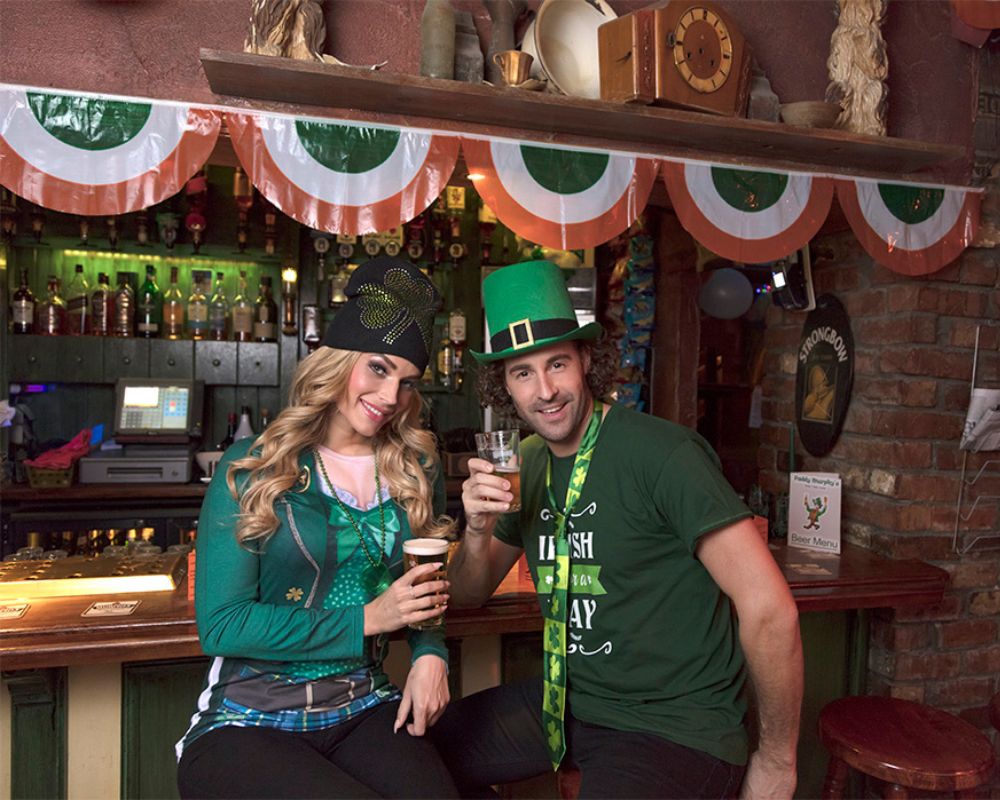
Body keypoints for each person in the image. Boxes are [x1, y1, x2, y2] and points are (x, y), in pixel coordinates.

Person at [432, 260, 803, 799]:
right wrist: (477, 531)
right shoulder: (528, 463)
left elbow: (771, 609)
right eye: (522, 373)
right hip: (568, 703)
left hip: (673, 728)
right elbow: (467, 595)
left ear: (586, 360)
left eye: (557, 364)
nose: (545, 390)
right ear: (504, 387)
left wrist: (776, 761)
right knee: (411, 751)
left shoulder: (664, 454)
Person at [176, 256, 459, 800]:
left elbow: (424, 589)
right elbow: (222, 626)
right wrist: (370, 618)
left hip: (361, 705)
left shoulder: (414, 468)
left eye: (406, 381)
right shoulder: (251, 469)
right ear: (338, 362)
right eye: (377, 368)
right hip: (246, 719)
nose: (389, 398)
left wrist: (429, 653)